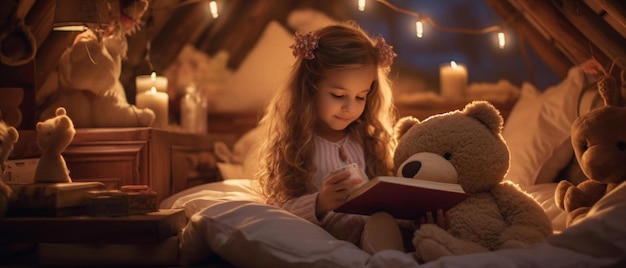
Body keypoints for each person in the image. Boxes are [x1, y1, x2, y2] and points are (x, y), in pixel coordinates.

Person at [257, 21, 403, 253]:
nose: (349, 107)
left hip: (372, 226)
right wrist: (320, 202)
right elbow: (280, 211)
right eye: (338, 95)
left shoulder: (366, 139)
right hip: (331, 235)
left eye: (360, 97)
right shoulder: (296, 145)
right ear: (310, 88)